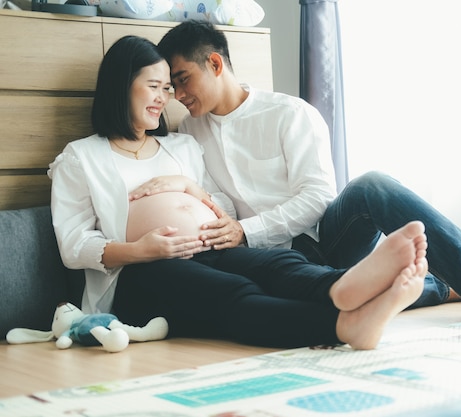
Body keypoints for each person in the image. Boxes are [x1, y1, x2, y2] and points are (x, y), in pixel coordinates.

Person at [147, 20, 461, 322]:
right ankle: (436, 285)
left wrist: (248, 230)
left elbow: (316, 198)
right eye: (170, 87)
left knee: (372, 184)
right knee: (321, 299)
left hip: (320, 238)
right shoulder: (191, 131)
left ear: (215, 63)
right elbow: (213, 196)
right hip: (262, 260)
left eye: (183, 80)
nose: (178, 97)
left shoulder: (289, 114)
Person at [48, 35, 430, 350]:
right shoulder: (81, 158)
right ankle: (341, 325)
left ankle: (344, 286)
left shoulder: (182, 146)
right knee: (234, 291)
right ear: (120, 86)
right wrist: (141, 250)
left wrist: (189, 187)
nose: (165, 98)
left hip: (211, 251)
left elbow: (224, 205)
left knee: (276, 265)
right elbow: (73, 243)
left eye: (169, 88)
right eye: (154, 87)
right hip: (139, 276)